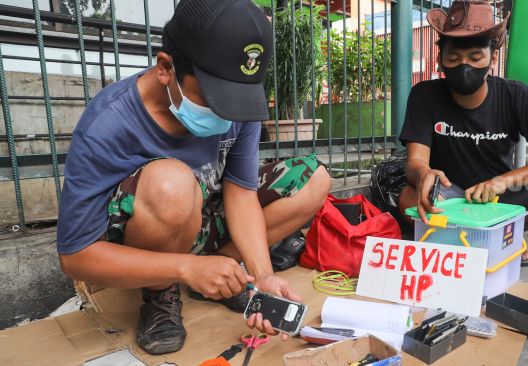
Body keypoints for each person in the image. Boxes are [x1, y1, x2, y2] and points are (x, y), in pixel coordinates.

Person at [56, 0, 330, 355]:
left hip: (204, 217)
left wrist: (262, 276)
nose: (228, 113)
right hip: (150, 231)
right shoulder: (108, 124)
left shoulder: (235, 96)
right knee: (172, 183)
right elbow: (75, 256)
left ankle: (227, 276)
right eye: (215, 99)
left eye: (237, 99)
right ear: (166, 68)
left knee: (313, 179)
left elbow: (241, 192)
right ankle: (161, 293)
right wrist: (187, 267)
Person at [398, 1, 528, 266]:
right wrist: (424, 174)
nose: (464, 67)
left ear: (494, 58)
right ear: (441, 59)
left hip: (502, 195)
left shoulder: (517, 95)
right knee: (409, 198)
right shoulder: (425, 94)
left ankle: (505, 234)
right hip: (450, 196)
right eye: (453, 58)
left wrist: (503, 181)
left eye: (475, 57)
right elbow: (415, 162)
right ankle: (478, 240)